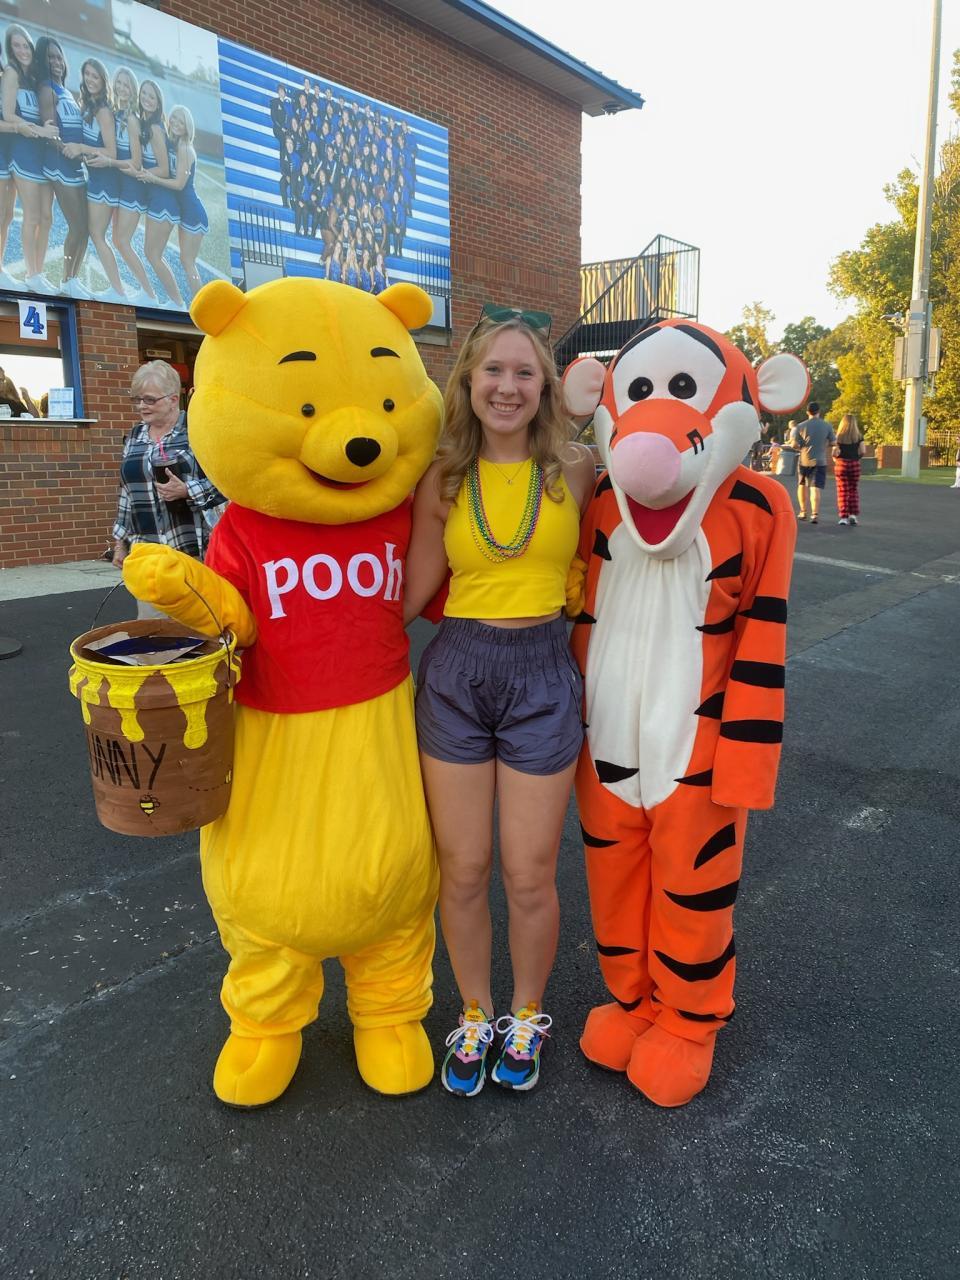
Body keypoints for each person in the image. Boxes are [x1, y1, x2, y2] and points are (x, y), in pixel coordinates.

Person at [402, 305, 596, 1097]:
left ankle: (526, 1014)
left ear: (545, 386)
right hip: (457, 674)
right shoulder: (442, 478)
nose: (507, 387)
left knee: (529, 872)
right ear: (468, 380)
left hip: (544, 674)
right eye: (493, 370)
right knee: (464, 867)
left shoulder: (578, 469)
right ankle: (475, 1012)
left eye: (524, 372)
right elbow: (408, 594)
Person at [112, 360, 226, 617]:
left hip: (195, 547)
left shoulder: (198, 431)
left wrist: (188, 490)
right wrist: (120, 543)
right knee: (153, 628)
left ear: (173, 399)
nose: (142, 406)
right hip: (148, 553)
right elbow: (126, 493)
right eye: (138, 399)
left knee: (202, 623)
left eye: (150, 399)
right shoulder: (135, 436)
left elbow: (229, 484)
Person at [2, 25, 58, 292]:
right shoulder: (11, 72)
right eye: (17, 46)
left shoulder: (32, 77)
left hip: (33, 151)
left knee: (32, 216)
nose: (23, 50)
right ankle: (30, 273)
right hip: (19, 151)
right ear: (10, 49)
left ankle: (35, 273)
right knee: (25, 215)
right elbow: (8, 115)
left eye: (25, 45)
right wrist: (40, 131)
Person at [35, 36, 90, 299]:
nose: (56, 62)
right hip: (59, 164)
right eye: (51, 57)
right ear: (43, 61)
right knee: (77, 226)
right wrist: (66, 148)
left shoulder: (66, 90)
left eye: (59, 57)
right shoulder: (47, 89)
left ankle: (73, 279)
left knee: (86, 227)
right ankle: (66, 279)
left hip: (75, 165)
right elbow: (49, 131)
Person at [67, 58, 126, 302]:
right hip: (95, 179)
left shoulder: (103, 110)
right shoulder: (89, 105)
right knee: (95, 233)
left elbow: (111, 151)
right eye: (87, 74)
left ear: (103, 81)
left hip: (106, 182)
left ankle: (118, 291)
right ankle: (117, 290)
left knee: (97, 234)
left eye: (95, 76)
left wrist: (81, 147)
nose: (90, 79)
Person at [140, 105, 207, 301]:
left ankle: (201, 304)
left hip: (192, 212)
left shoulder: (185, 148)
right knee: (185, 261)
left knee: (188, 262)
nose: (176, 123)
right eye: (174, 119)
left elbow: (179, 184)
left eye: (181, 121)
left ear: (188, 127)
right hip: (183, 210)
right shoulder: (174, 144)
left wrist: (153, 179)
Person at [135, 79, 183, 309]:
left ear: (158, 102)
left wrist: (140, 173)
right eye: (144, 94)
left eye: (151, 96)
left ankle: (177, 302)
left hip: (163, 200)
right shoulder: (149, 125)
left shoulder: (155, 128)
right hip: (158, 199)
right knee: (152, 253)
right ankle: (170, 300)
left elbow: (164, 169)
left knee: (153, 254)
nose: (146, 99)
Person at [793, 401, 836, 524]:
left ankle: (803, 512)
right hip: (820, 461)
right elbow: (833, 442)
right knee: (815, 487)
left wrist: (801, 447)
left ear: (808, 412)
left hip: (804, 460)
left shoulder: (800, 426)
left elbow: (795, 444)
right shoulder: (827, 426)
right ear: (819, 412)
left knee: (802, 485)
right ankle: (814, 514)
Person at [833, 412, 865, 525]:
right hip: (854, 464)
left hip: (841, 464)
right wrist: (856, 457)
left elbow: (835, 452)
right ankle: (853, 515)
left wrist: (835, 457)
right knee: (853, 490)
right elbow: (863, 451)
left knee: (843, 491)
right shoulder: (859, 436)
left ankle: (843, 517)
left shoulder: (838, 437)